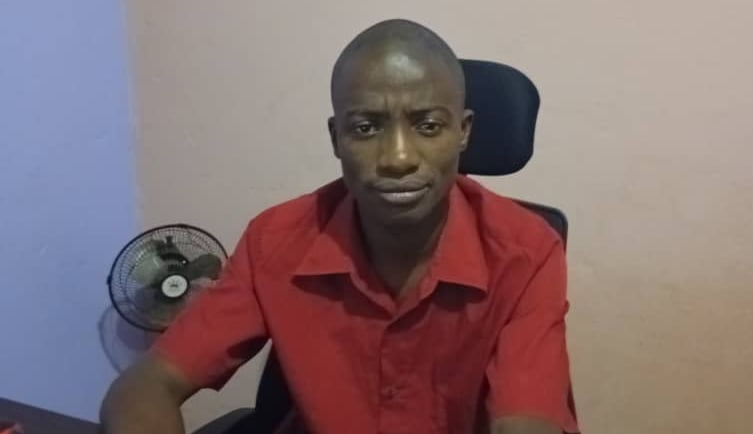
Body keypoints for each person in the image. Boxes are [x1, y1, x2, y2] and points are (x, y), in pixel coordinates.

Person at [100, 19, 579, 434]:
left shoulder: (528, 253)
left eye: (428, 126)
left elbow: (526, 421)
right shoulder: (276, 241)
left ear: (464, 132)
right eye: (366, 127)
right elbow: (148, 384)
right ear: (336, 138)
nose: (397, 158)